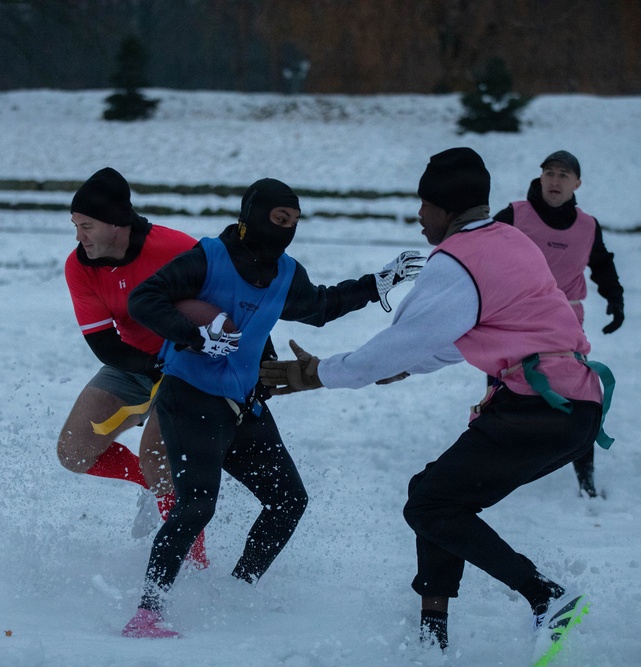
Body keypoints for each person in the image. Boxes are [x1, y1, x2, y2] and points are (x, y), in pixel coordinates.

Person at [261, 148, 615, 664]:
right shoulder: (510, 240)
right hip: (572, 406)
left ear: (445, 209)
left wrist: (314, 373)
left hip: (540, 407)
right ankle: (433, 631)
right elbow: (463, 333)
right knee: (434, 496)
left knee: (431, 503)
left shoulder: (455, 261)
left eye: (423, 205)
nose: (419, 217)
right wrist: (411, 365)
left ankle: (546, 597)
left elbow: (395, 343)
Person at [120, 177, 424, 638]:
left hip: (242, 406)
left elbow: (321, 305)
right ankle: (147, 613)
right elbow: (143, 299)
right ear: (253, 215)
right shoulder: (207, 258)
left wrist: (376, 283)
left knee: (288, 501)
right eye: (280, 219)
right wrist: (195, 334)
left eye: (295, 223)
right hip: (189, 398)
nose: (287, 230)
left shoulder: (285, 272)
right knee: (197, 505)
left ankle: (240, 587)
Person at [56, 166, 209, 567]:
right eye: (75, 225)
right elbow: (103, 342)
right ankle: (155, 486)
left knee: (160, 459)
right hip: (134, 362)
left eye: (86, 225)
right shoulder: (80, 266)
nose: (78, 237)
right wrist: (150, 365)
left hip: (190, 368)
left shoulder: (179, 250)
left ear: (117, 223)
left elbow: (232, 307)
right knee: (72, 453)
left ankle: (195, 567)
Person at [493, 150, 624, 498]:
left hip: (565, 322)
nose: (554, 180)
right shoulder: (514, 215)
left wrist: (616, 299)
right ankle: (489, 465)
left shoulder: (587, 226)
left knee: (580, 395)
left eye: (563, 175)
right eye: (549, 172)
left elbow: (602, 264)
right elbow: (480, 250)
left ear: (577, 183)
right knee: (505, 390)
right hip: (515, 316)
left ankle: (586, 480)